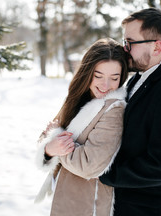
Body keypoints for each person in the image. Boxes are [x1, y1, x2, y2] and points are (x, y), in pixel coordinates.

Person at [99, 8, 161, 215]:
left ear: (156, 47)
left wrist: (104, 171)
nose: (124, 48)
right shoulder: (139, 77)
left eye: (130, 42)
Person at [35, 38, 129, 216]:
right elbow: (46, 135)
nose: (105, 85)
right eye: (98, 76)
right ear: (88, 72)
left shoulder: (114, 109)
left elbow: (89, 165)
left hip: (88, 204)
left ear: (122, 77)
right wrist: (48, 148)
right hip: (65, 195)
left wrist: (57, 142)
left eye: (114, 78)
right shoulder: (78, 97)